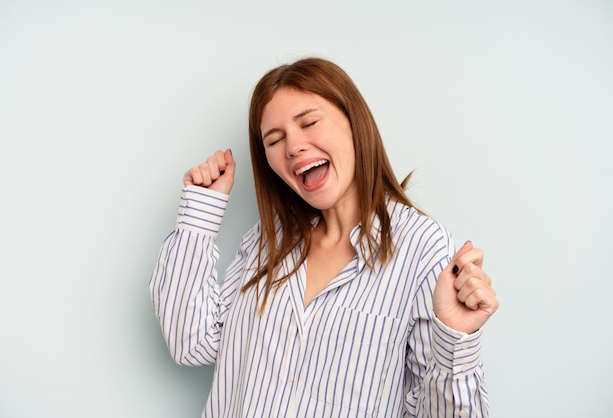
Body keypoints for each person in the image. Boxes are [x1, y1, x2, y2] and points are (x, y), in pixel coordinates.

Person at [150, 57, 499, 417]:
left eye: (310, 122)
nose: (293, 147)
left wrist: (455, 338)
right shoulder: (266, 241)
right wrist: (200, 214)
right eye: (274, 139)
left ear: (354, 123)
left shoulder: (422, 246)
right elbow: (192, 343)